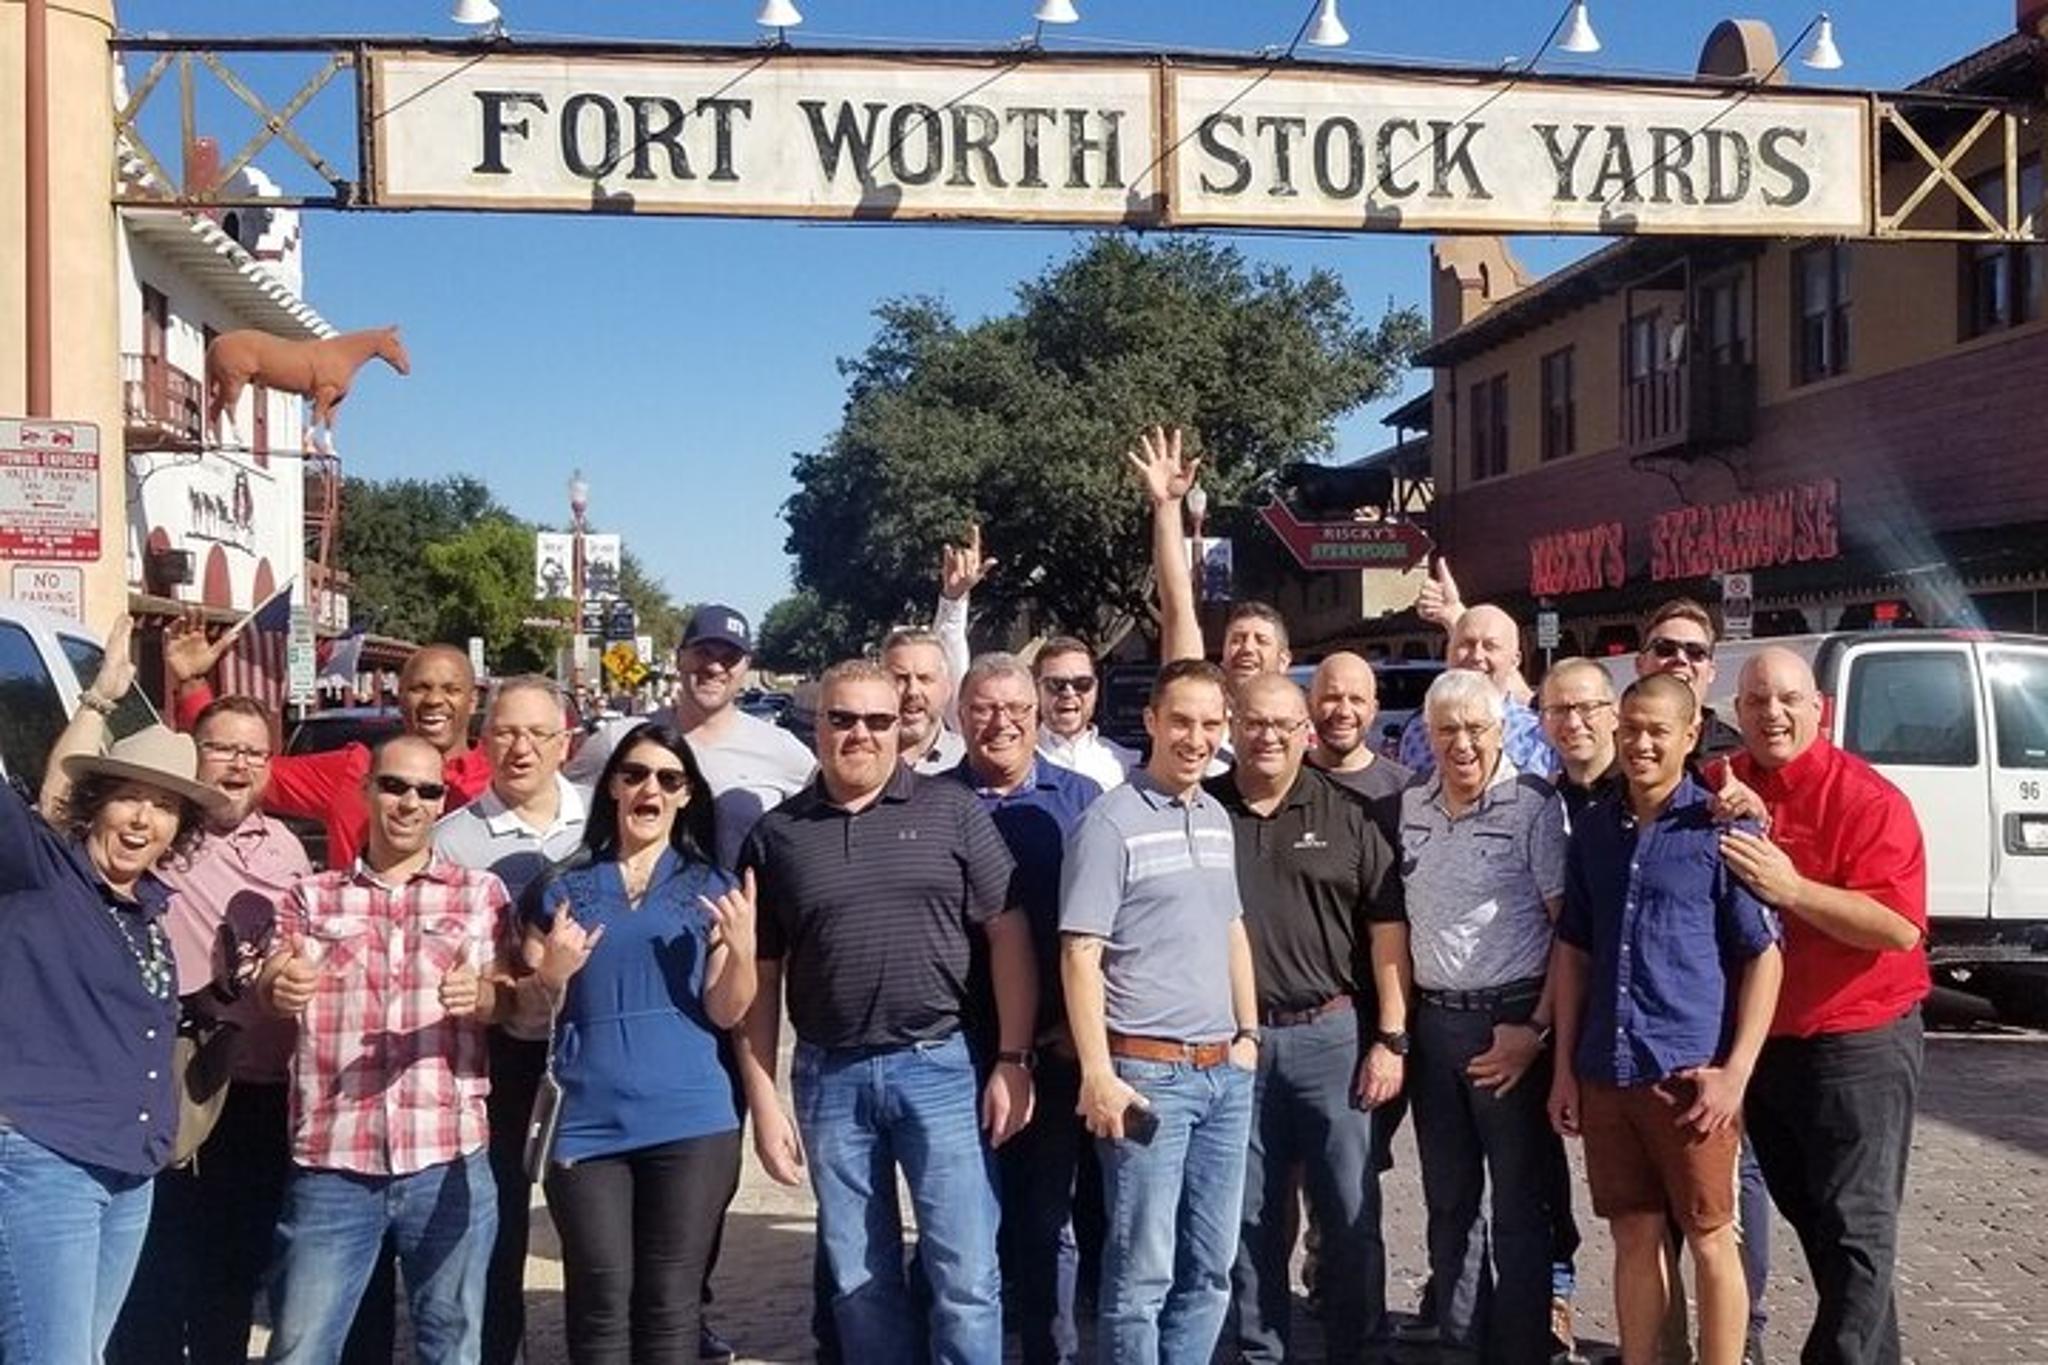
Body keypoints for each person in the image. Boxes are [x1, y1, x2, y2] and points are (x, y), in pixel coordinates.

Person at [734, 660, 1036, 1363]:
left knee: (965, 1274)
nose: (861, 734)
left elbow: (1009, 933)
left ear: (903, 726)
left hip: (940, 1066)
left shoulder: (951, 810)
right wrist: (765, 1102)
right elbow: (761, 978)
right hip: (830, 1077)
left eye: (878, 720)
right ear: (818, 725)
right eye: (843, 718)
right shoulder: (777, 836)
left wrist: (1013, 1058)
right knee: (858, 1280)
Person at [0, 616, 225, 1365]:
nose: (142, 817)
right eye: (126, 796)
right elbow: (44, 807)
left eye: (163, 806)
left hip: (130, 1168)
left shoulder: (147, 914)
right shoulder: (41, 873)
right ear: (94, 804)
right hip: (47, 1161)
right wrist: (96, 703)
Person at [258, 735, 521, 1365]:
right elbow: (274, 979)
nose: (409, 802)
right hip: (332, 1160)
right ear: (368, 791)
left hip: (445, 1156)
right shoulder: (311, 896)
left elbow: (510, 1000)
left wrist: (482, 995)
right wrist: (280, 985)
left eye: (427, 791)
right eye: (394, 786)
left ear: (441, 802)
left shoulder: (480, 895)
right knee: (301, 1348)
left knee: (453, 1346)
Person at [1548, 675, 1784, 1365]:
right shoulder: (1595, 829)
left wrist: (1735, 1073)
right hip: (1608, 1071)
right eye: (1632, 728)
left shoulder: (1719, 828)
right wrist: (1565, 1066)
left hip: (1689, 1075)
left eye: (1659, 730)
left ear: (1690, 738)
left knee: (1712, 1235)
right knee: (1631, 1234)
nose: (1642, 742)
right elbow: (1574, 951)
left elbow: (1764, 955)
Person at [525, 722, 759, 1362]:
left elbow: (726, 1007)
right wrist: (550, 976)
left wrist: (741, 951)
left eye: (668, 778)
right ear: (612, 790)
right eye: (634, 775)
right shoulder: (561, 888)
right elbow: (526, 1011)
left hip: (691, 1122)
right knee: (598, 1303)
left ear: (686, 795)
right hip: (587, 1124)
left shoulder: (712, 887)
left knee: (669, 1307)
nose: (649, 788)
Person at [1721, 648, 1929, 1365]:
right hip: (1768, 1045)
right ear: (1736, 712)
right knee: (1824, 1231)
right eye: (1755, 701)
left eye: (1786, 699)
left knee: (1856, 1232)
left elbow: (1899, 925)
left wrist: (1795, 887)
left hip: (1858, 1043)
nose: (1771, 713)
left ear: (1819, 709)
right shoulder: (1726, 783)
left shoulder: (1868, 799)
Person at [1060, 658, 1259, 1364]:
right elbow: (1080, 953)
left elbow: (1232, 926)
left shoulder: (1213, 815)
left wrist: (1248, 1035)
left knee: (1210, 1265)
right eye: (1181, 720)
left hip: (1222, 1074)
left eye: (1211, 723)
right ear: (1150, 721)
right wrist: (1098, 1073)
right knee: (1142, 1269)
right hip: (1148, 1072)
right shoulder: (1108, 823)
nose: (1196, 737)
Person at [108, 693, 314, 1365]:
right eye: (224, 747)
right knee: (155, 1274)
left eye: (254, 751)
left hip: (255, 1090)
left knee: (233, 1276)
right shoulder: (160, 832)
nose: (238, 763)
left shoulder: (287, 851)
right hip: (162, 1083)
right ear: (195, 753)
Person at [1209, 673, 1409, 1363]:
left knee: (1350, 1211)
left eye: (1283, 725)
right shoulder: (1203, 811)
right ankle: (1263, 1349)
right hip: (1238, 1042)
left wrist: (1390, 1036)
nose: (1268, 736)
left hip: (1334, 1036)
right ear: (1233, 725)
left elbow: (1388, 931)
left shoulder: (1346, 812)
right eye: (1254, 722)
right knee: (1251, 1217)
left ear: (1306, 732)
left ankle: (1358, 1347)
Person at [1400, 668, 1570, 1365]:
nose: (1461, 743)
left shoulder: (1534, 806)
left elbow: (1568, 932)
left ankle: (1523, 1346)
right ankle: (1460, 1342)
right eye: (1447, 730)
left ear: (1503, 731)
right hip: (1434, 1022)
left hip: (1508, 1022)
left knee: (1519, 1203)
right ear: (1429, 735)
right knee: (1449, 1200)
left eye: (1476, 728)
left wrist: (1535, 1029)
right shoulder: (1412, 802)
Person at [949, 654, 1104, 1364]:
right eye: (983, 706)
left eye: (1016, 708)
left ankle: (1051, 1350)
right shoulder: (929, 799)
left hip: (1054, 1044)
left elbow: (1110, 927)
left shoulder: (1080, 803)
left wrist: (1080, 1032)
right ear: (960, 714)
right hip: (952, 1046)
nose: (1000, 722)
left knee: (1048, 1220)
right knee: (964, 1221)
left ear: (1039, 716)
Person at [432, 676, 588, 1365]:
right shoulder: (450, 839)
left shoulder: (602, 820)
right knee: (494, 1231)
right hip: (496, 1060)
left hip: (592, 1054)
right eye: (505, 732)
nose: (520, 747)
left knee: (593, 1230)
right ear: (484, 740)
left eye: (537, 733)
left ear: (564, 743)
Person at [168, 610, 491, 869]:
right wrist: (192, 683)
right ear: (400, 695)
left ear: (473, 700)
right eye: (420, 688)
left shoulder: (501, 780)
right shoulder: (354, 769)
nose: (434, 700)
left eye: (451, 689)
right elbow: (235, 767)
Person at [1133, 424, 1291, 686]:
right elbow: (1178, 606)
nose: (1247, 649)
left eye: (1261, 640)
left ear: (1284, 660)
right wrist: (1168, 507)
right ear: (1222, 658)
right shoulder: (1205, 711)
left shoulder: (1298, 718)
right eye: (1237, 639)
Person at [1398, 604, 1557, 781]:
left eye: (1490, 646)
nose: (1476, 656)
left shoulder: (1539, 735)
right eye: (1466, 644)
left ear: (1515, 660)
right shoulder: (1417, 730)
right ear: (1448, 653)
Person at [1307, 650, 1415, 839]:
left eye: (1356, 700)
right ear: (1310, 704)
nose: (1344, 712)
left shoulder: (1406, 792)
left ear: (1374, 710)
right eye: (1332, 698)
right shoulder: (1286, 783)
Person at [1034, 637, 1139, 791]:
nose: (1069, 693)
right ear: (1036, 689)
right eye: (1056, 684)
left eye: (1082, 684)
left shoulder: (1126, 764)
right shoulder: (1018, 761)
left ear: (1096, 688)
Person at [1540, 658, 1623, 819]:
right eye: (1558, 710)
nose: (1573, 723)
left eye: (1587, 708)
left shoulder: (1640, 793)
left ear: (1615, 715)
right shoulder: (1541, 804)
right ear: (1542, 721)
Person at [883, 626, 968, 773]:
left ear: (947, 688)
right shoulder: (861, 758)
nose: (913, 691)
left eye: (925, 678)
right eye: (901, 679)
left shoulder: (970, 761)